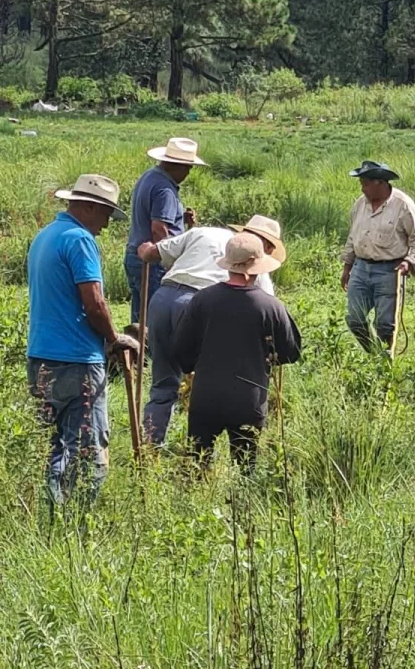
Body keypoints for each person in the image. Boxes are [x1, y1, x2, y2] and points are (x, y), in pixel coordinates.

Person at [27, 174, 139, 512]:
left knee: (53, 444)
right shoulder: (79, 240)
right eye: (106, 215)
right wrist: (113, 338)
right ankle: (79, 519)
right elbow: (94, 302)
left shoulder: (44, 236)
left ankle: (51, 512)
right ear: (90, 207)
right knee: (88, 448)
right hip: (77, 359)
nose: (106, 225)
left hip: (41, 357)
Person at [136, 216, 284, 444]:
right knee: (206, 381)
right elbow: (267, 309)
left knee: (163, 382)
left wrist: (145, 250)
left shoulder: (204, 232)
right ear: (268, 246)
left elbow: (152, 253)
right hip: (197, 307)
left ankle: (149, 446)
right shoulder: (252, 261)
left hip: (162, 301)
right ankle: (198, 449)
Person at [173, 232, 301, 467]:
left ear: (228, 264)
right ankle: (241, 505)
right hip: (248, 402)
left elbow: (182, 350)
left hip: (206, 399)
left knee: (197, 466)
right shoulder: (270, 306)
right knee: (245, 471)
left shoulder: (202, 300)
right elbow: (290, 352)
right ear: (257, 266)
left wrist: (193, 365)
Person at [340, 161, 415, 352]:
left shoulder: (403, 205)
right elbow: (353, 236)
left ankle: (385, 360)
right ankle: (376, 355)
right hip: (361, 268)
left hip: (390, 270)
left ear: (379, 183)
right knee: (354, 318)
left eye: (365, 183)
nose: (362, 188)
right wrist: (347, 266)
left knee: (385, 324)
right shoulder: (359, 204)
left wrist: (409, 262)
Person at [124, 137, 206, 324]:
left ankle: (140, 351)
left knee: (140, 318)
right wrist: (169, 260)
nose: (188, 173)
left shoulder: (149, 177)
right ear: (177, 165)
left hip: (136, 256)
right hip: (153, 262)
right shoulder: (165, 189)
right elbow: (158, 229)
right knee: (155, 319)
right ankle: (151, 352)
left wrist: (179, 219)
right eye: (188, 167)